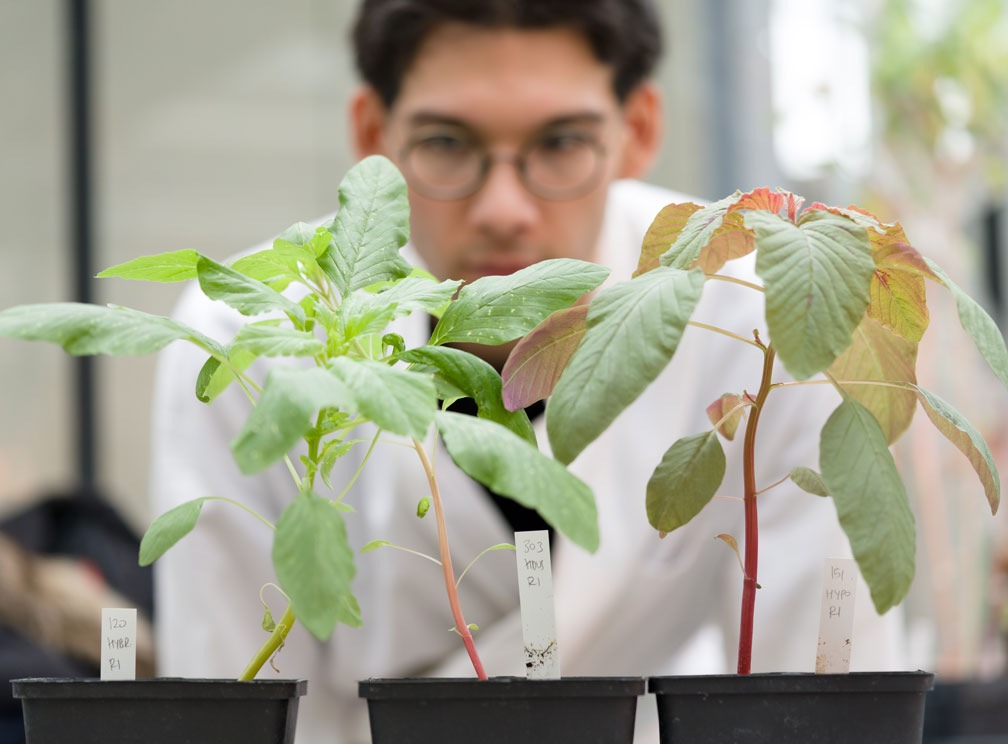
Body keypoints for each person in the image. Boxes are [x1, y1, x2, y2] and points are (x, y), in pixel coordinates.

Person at [149, 2, 908, 742]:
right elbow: (233, 699)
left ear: (637, 130)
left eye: (560, 144)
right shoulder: (246, 342)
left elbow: (818, 691)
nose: (504, 209)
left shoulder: (759, 318)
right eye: (447, 143)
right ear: (372, 136)